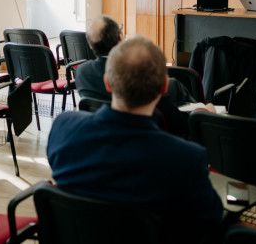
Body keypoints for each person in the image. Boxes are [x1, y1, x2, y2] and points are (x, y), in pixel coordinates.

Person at [48, 35, 223, 242]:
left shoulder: (63, 127)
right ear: (164, 87)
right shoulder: (186, 158)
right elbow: (210, 220)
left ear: (108, 83)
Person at [75, 14, 216, 136]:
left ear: (91, 46)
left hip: (104, 135)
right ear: (119, 39)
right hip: (151, 141)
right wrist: (201, 113)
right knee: (177, 85)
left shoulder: (81, 73)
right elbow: (178, 123)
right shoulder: (138, 79)